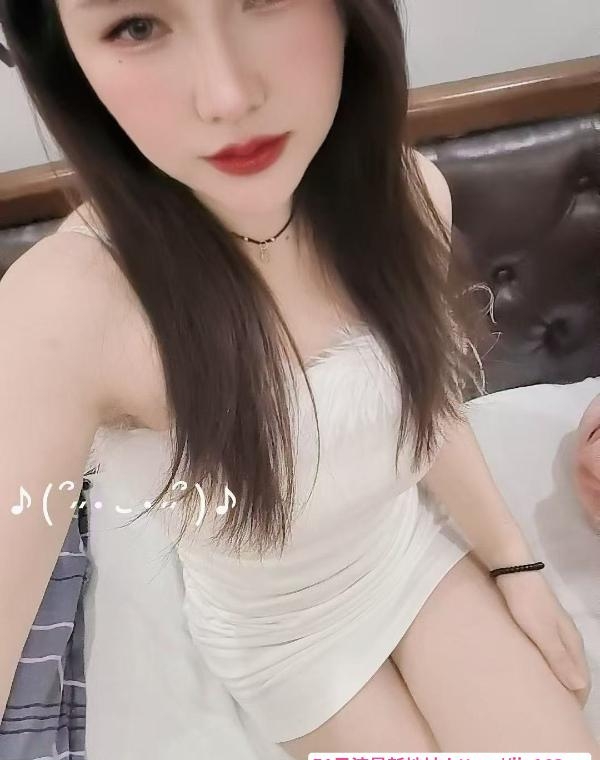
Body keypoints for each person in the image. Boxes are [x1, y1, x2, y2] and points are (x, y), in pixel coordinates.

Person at [0, 0, 598, 756]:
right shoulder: (70, 305)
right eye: (137, 26)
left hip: (405, 556)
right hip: (283, 638)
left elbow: (422, 403)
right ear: (67, 57)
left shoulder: (410, 195)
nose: (227, 96)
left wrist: (515, 565)